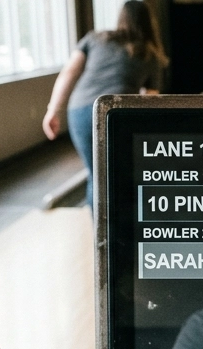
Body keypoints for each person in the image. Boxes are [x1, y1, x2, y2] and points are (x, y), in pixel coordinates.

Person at [43, 1, 167, 213]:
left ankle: (100, 239)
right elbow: (150, 100)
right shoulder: (150, 53)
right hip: (114, 115)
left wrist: (52, 111)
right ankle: (123, 231)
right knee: (118, 173)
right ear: (149, 22)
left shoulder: (95, 38)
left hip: (79, 111)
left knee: (97, 175)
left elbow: (68, 73)